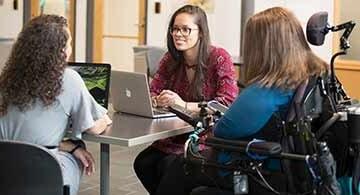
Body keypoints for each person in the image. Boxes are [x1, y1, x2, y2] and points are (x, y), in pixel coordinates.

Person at [154, 7, 329, 195]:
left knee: (180, 168)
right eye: (175, 29)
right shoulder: (308, 75)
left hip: (254, 169)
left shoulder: (265, 89)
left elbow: (222, 130)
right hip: (286, 168)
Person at [0, 15, 111, 195]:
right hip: (44, 175)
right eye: (69, 44)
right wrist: (105, 119)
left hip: (5, 175)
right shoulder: (68, 79)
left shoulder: (7, 81)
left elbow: (23, 141)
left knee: (74, 147)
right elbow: (94, 127)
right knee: (79, 147)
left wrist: (69, 146)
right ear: (59, 51)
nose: (70, 50)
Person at [133, 4, 238, 195]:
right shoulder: (170, 59)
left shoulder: (219, 58)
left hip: (206, 136)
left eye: (185, 29)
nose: (178, 34)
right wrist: (157, 100)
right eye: (175, 29)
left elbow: (227, 103)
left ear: (201, 33)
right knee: (143, 163)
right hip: (174, 134)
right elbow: (153, 91)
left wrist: (183, 104)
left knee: (169, 167)